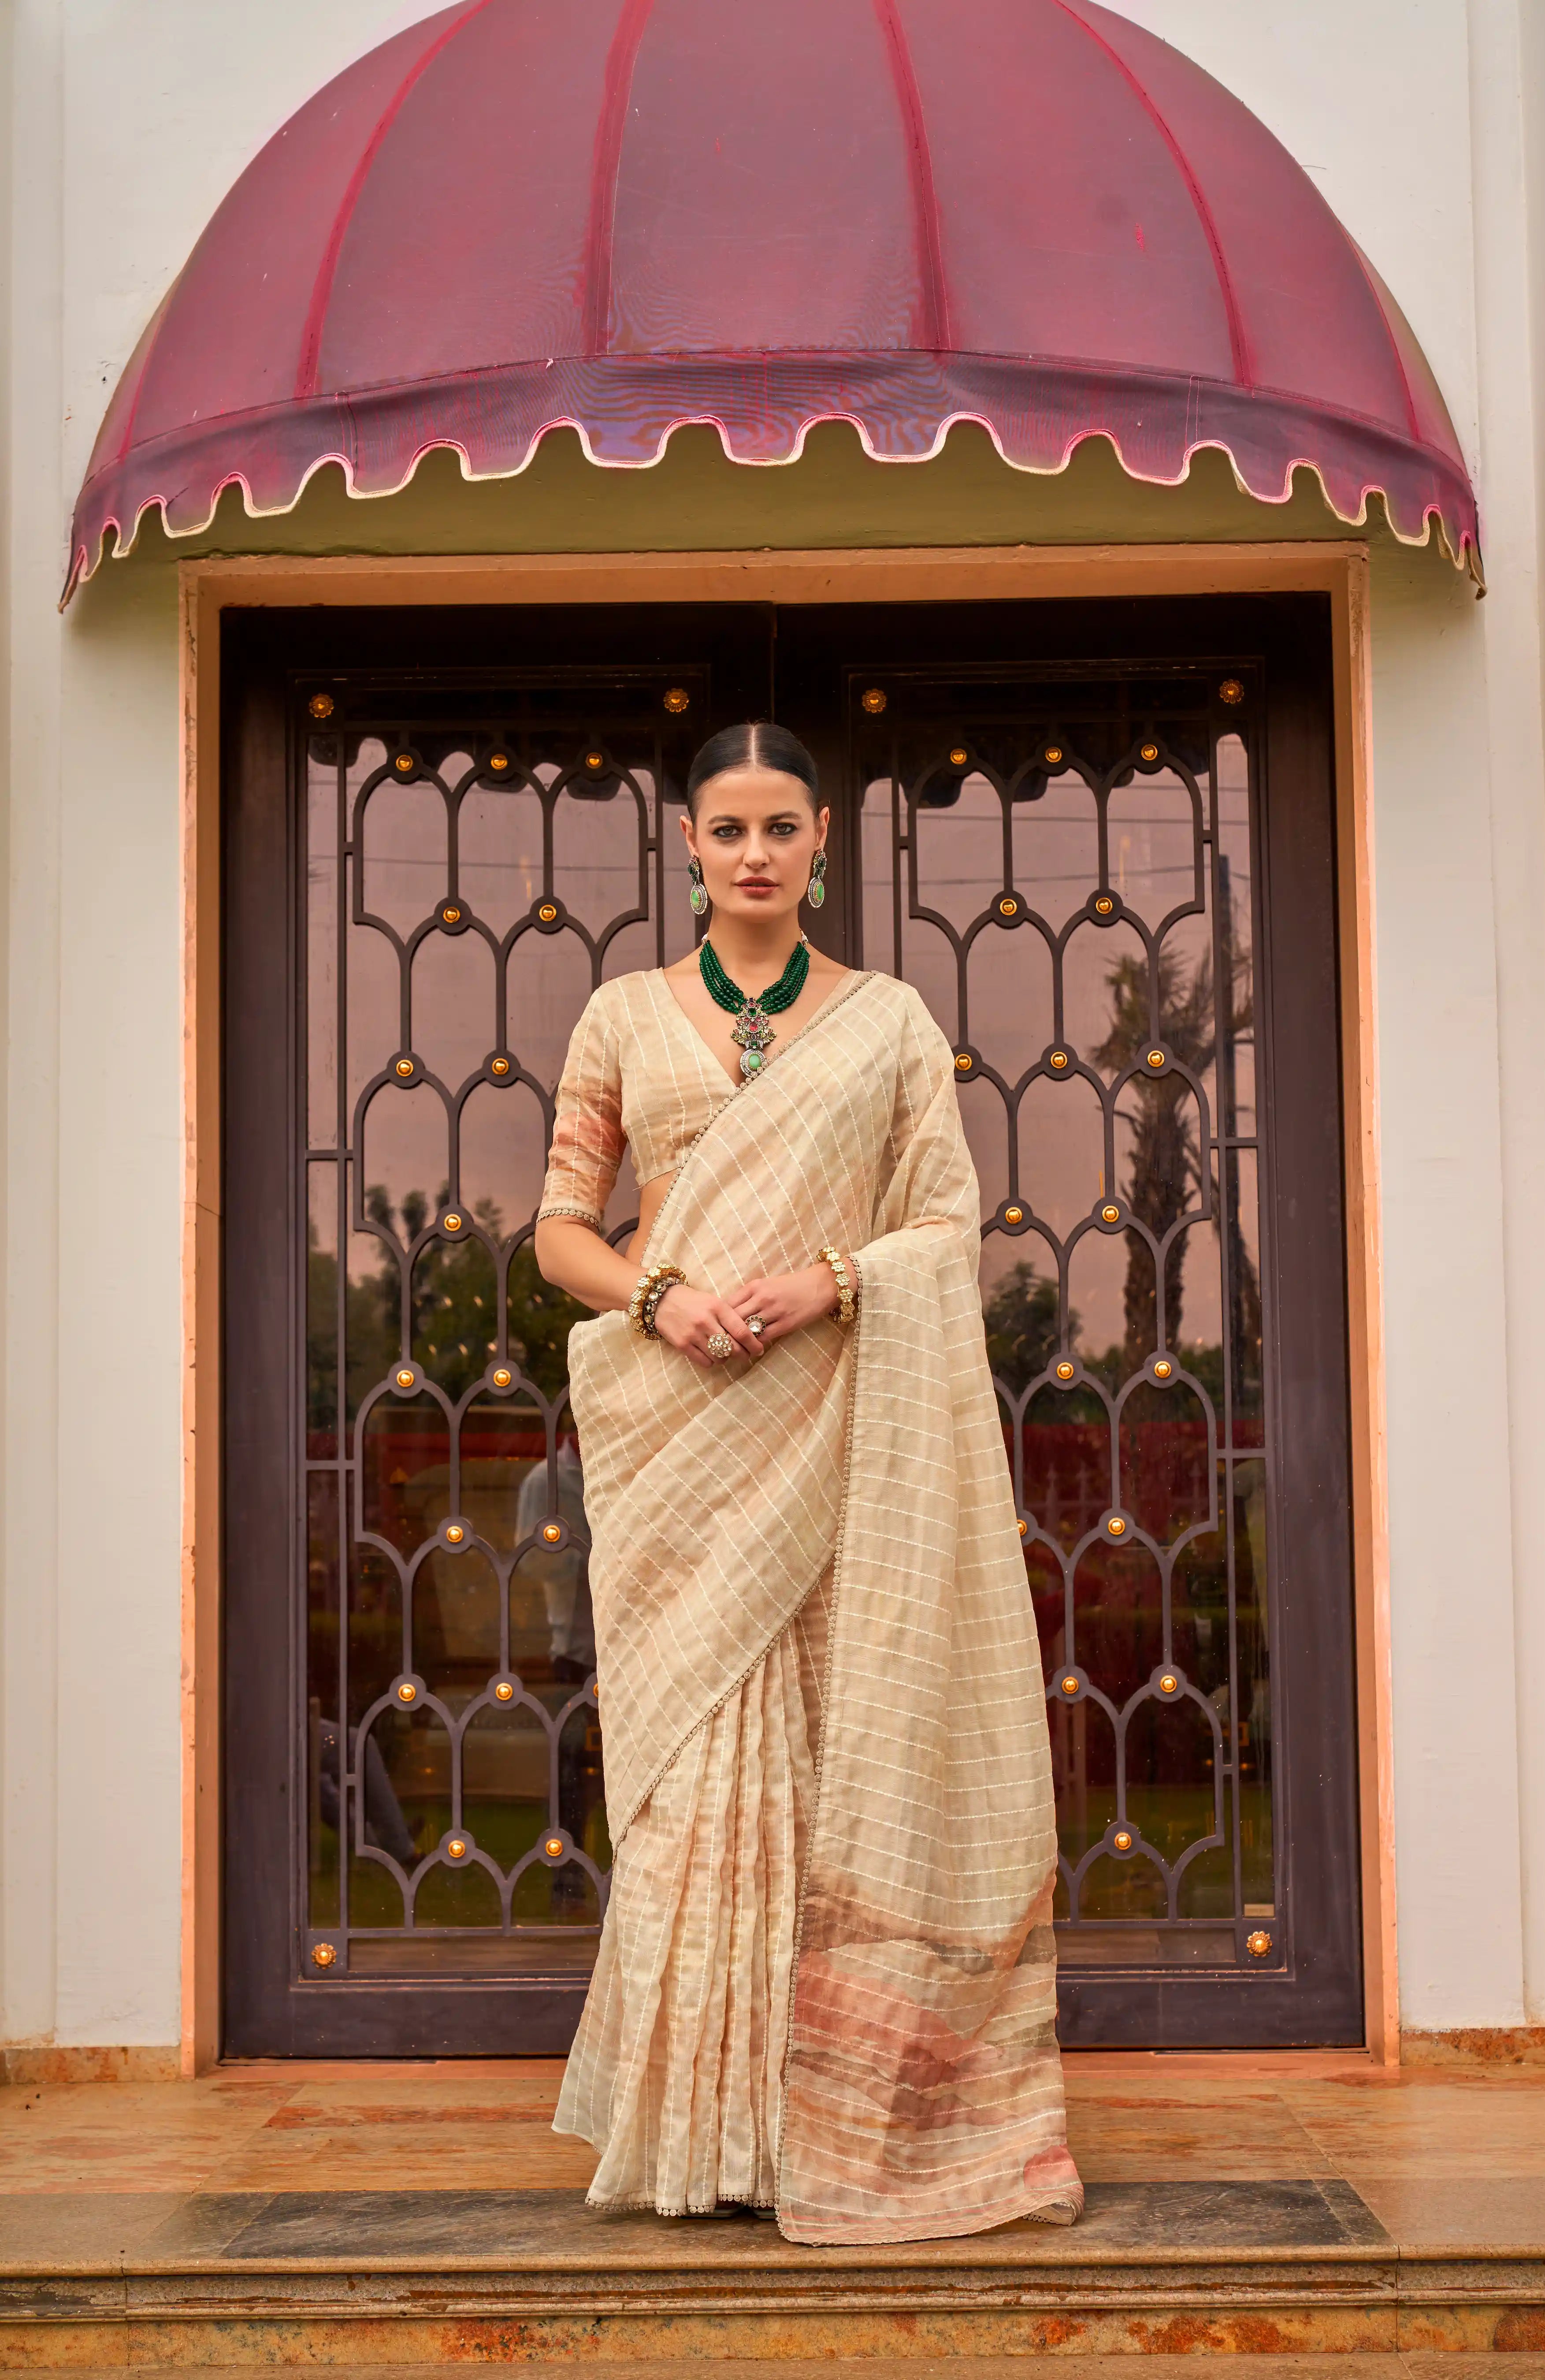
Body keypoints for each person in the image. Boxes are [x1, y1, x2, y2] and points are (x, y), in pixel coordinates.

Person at [535, 721, 1081, 2246]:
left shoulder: (891, 1021)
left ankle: (837, 2129)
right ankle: (697, 2134)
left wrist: (829, 1282)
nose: (756, 853)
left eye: (782, 827)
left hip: (848, 1431)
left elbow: (945, 1220)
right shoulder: (626, 1019)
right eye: (729, 830)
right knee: (697, 1781)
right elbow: (560, 1231)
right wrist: (662, 1300)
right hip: (683, 1440)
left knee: (846, 1762)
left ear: (823, 840)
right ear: (691, 847)